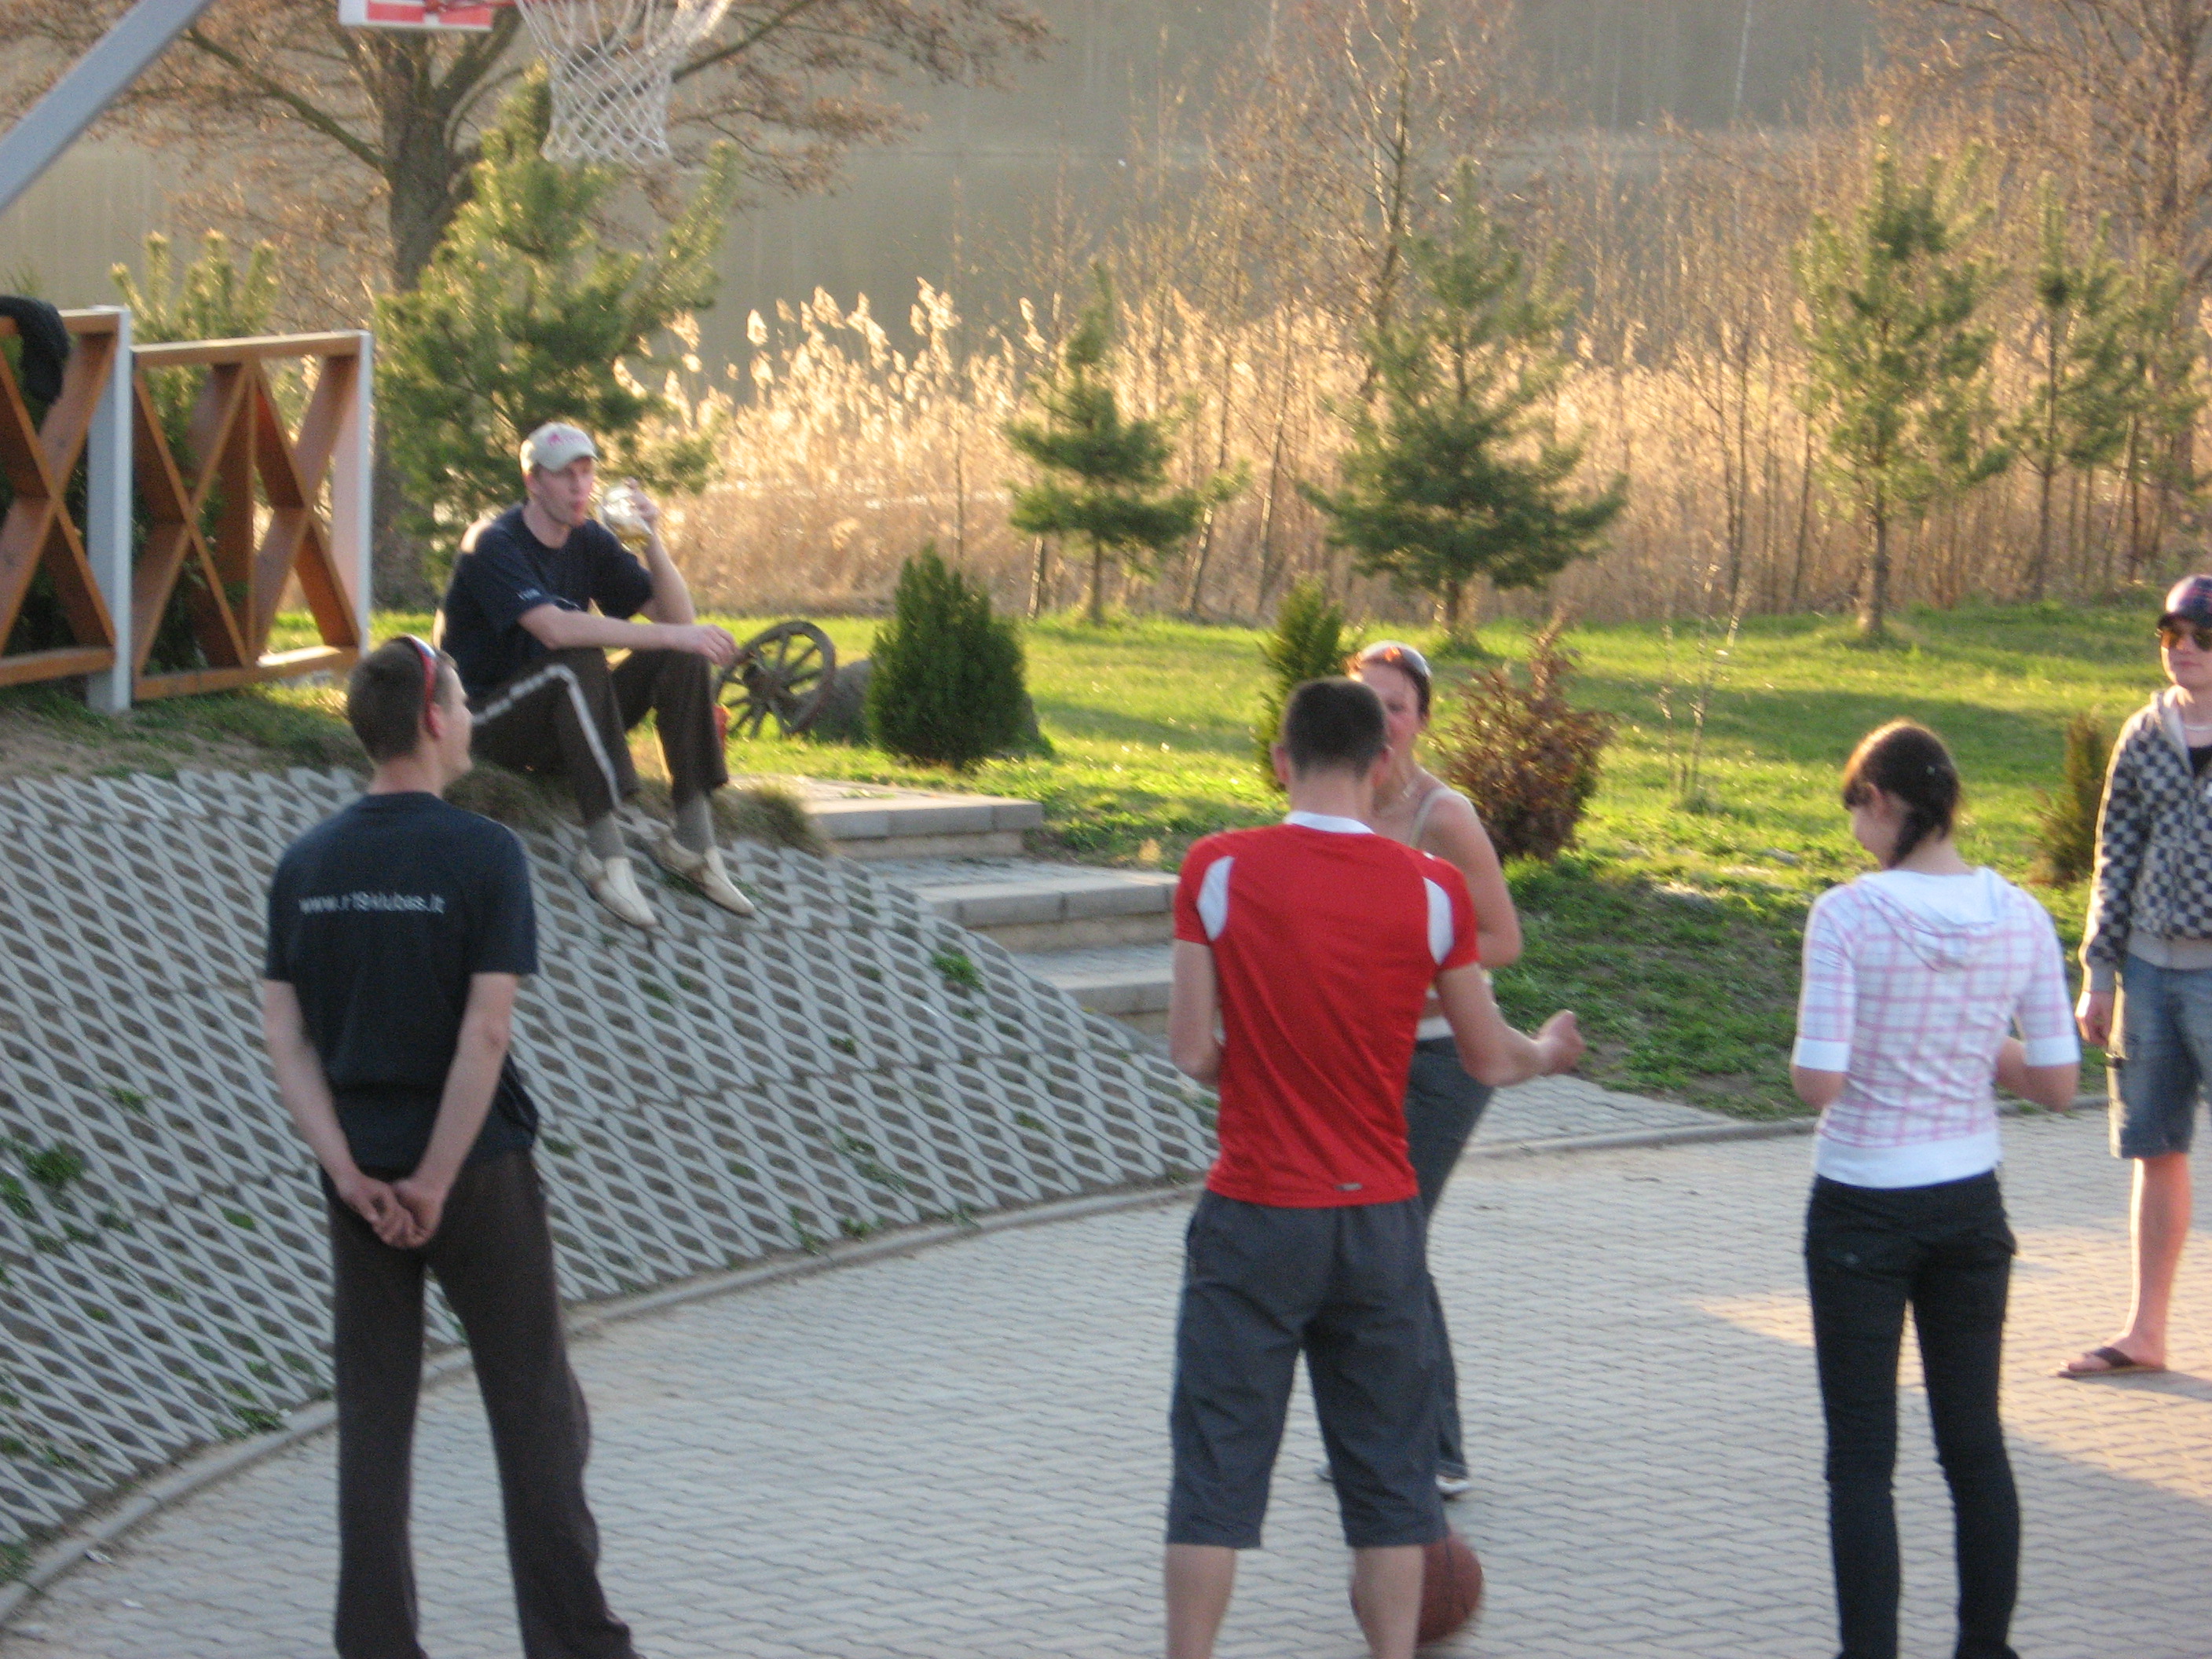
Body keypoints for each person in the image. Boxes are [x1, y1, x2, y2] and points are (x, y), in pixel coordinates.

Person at [1162, 676, 1584, 1659]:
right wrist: (1546, 1052)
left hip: (1254, 1214)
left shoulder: (1214, 868)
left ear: (1281, 761)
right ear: (1381, 763)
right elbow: (1486, 1057)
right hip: (1378, 1222)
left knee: (1215, 1479)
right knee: (1391, 1485)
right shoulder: (1431, 890)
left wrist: (1252, 1069)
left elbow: (1189, 1050)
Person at [261, 635, 635, 1659]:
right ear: (432, 720)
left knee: (373, 1422)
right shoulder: (484, 854)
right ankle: (577, 1644)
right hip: (476, 1172)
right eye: (462, 702)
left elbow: (286, 1037)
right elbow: (486, 1034)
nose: (469, 719)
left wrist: (349, 1173)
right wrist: (434, 1177)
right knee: (534, 1411)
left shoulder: (305, 864)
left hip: (359, 1175)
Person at [1790, 720, 2078, 1659]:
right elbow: (2056, 1083)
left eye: (1853, 812)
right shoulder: (2021, 915)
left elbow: (1818, 1081)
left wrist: (1884, 1042)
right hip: (1967, 1204)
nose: (1853, 835)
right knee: (1973, 1444)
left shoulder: (1846, 916)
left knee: (1860, 1459)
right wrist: (1965, 1040)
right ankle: (1984, 1646)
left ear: (1879, 800)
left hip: (1860, 1203)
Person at [438, 420, 752, 930]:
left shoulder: (590, 540)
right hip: (485, 724)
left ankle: (692, 842)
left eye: (586, 473)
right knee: (580, 658)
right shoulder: (492, 541)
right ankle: (604, 854)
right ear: (533, 481)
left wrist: (650, 542)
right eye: (566, 475)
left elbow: (678, 621)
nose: (580, 486)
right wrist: (677, 636)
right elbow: (554, 628)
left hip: (564, 720)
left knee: (683, 654)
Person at [1347, 639, 1522, 1500]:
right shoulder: (1335, 802)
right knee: (1366, 1242)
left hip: (1447, 1055)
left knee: (1394, 1236)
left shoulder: (1441, 816)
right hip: (1362, 1054)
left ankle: (1438, 1448)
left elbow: (1502, 938)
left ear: (1420, 721)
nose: (1381, 721)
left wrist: (1407, 970)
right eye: (1366, 702)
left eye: (1396, 707)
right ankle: (1374, 1439)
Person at [2065, 572, 2212, 1379]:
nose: (2183, 649)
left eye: (2202, 637)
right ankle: (2144, 1334)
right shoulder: (2143, 735)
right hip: (2150, 974)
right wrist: (2099, 974)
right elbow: (2113, 857)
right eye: (2171, 634)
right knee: (2155, 1147)